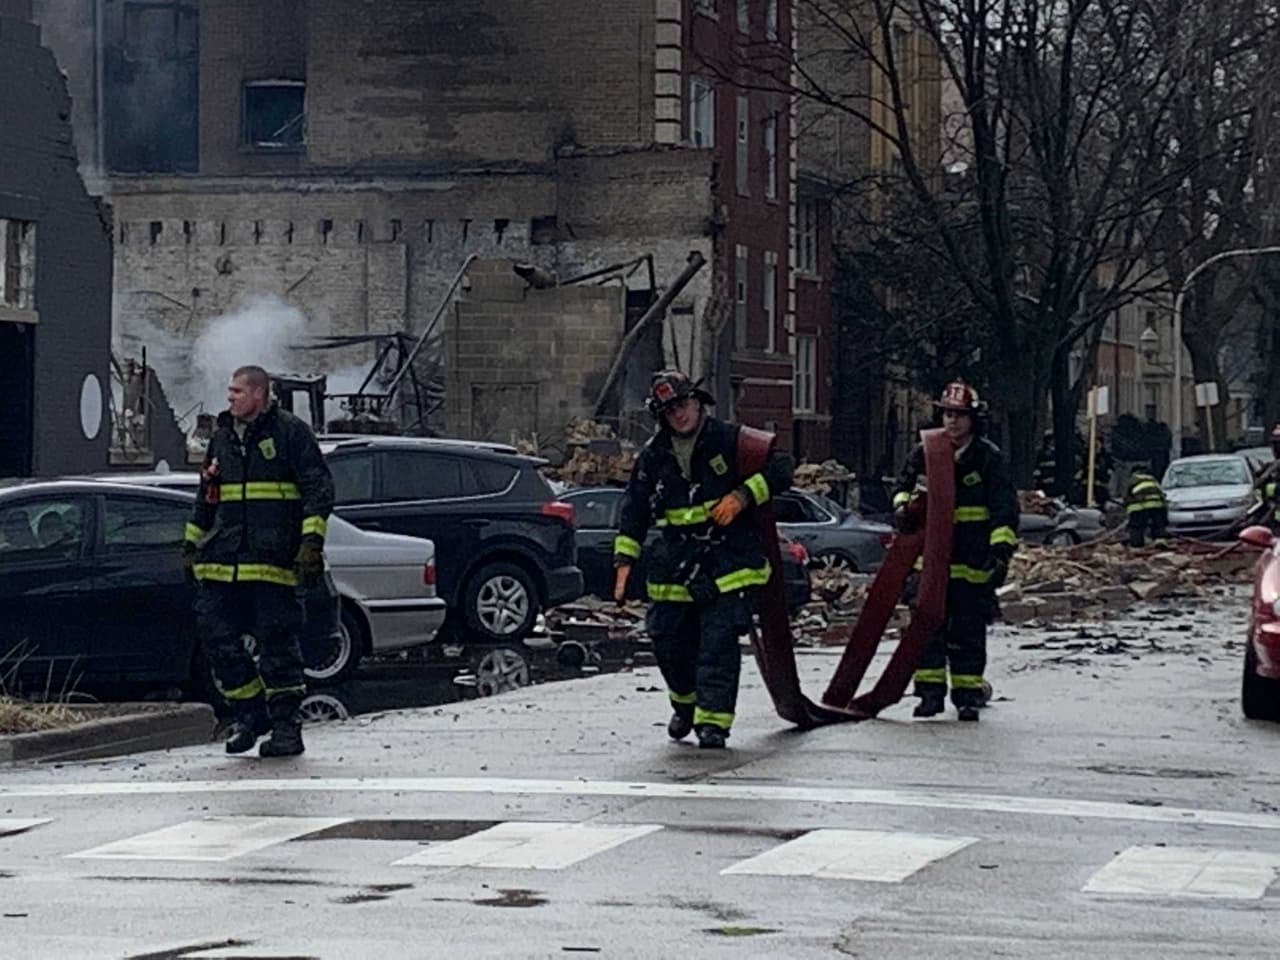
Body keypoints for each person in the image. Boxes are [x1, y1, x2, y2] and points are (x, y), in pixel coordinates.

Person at [613, 370, 794, 749]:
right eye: (669, 410)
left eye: (683, 405)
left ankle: (713, 725)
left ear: (697, 402)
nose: (678, 415)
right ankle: (685, 707)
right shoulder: (653, 456)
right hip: (674, 562)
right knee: (668, 642)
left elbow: (781, 469)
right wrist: (624, 563)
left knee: (717, 646)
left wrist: (742, 496)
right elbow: (634, 509)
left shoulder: (732, 440)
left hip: (726, 560)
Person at [182, 365, 334, 758]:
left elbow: (319, 490)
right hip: (223, 561)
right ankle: (250, 716)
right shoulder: (222, 439)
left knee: (277, 647)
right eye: (229, 391)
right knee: (218, 641)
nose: (229, 397)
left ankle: (286, 729)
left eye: (237, 391)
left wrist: (310, 544)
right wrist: (191, 545)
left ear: (260, 394)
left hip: (273, 561)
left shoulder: (290, 433)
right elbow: (207, 498)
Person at [892, 380, 1019, 722]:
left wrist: (1000, 552)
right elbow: (901, 490)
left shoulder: (988, 459)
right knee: (926, 631)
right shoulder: (925, 453)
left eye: (960, 415)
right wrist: (903, 509)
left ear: (973, 419)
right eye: (948, 414)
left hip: (972, 563)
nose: (953, 422)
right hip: (930, 564)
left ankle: (966, 697)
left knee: (967, 633)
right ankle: (929, 696)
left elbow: (1004, 511)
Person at [1123, 462, 1167, 547]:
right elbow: (1161, 493)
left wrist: (1128, 510)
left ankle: (1137, 544)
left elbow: (1127, 496)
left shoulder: (1133, 480)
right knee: (1158, 524)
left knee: (1137, 526)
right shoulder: (1152, 479)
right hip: (1157, 505)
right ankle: (1160, 540)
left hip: (1139, 507)